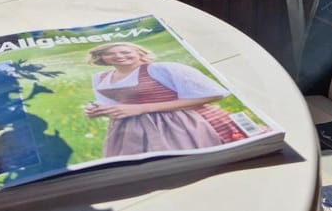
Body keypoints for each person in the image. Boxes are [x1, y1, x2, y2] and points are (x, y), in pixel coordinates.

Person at [83, 41, 248, 157]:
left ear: (140, 54)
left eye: (125, 52)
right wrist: (99, 110)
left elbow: (213, 94)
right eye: (110, 54)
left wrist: (141, 108)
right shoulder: (101, 78)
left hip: (181, 122)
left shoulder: (161, 69)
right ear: (102, 58)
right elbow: (114, 105)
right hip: (131, 130)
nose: (119, 56)